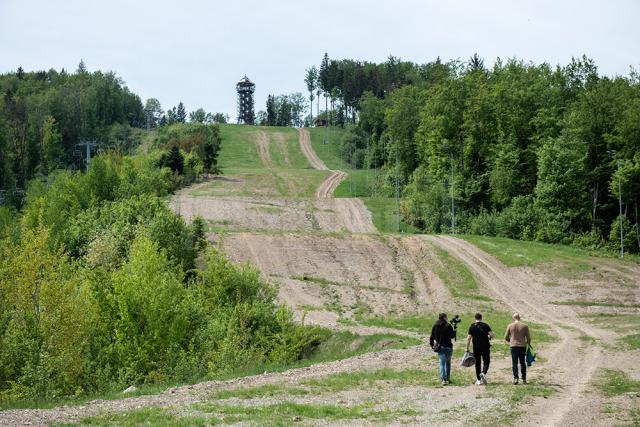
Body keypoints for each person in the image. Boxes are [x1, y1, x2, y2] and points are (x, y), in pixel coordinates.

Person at [466, 312, 494, 385]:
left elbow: (468, 338)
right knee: (486, 361)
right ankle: (483, 373)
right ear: (481, 318)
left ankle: (478, 380)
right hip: (485, 347)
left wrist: (467, 348)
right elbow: (492, 335)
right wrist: (488, 337)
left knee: (477, 363)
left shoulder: (472, 326)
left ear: (475, 318)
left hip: (476, 347)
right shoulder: (485, 325)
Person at [430, 313, 456, 386]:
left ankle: (443, 380)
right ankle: (447, 379)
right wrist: (454, 329)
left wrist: (432, 346)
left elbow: (432, 337)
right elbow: (452, 336)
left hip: (440, 347)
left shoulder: (435, 325)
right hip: (448, 347)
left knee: (441, 363)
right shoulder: (448, 325)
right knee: (448, 363)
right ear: (444, 317)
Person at [504, 312, 531, 384]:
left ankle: (516, 378)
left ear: (513, 318)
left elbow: (505, 337)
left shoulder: (510, 325)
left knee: (514, 363)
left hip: (513, 346)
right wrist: (528, 344)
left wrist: (510, 341)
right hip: (522, 346)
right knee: (522, 363)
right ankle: (524, 379)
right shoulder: (525, 326)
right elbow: (528, 338)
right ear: (519, 318)